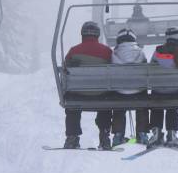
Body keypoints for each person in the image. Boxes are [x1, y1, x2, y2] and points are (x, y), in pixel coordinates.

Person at [62, 21, 114, 149]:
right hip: (101, 93)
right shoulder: (107, 51)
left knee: (72, 105)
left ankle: (72, 137)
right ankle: (104, 135)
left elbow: (65, 70)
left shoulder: (74, 51)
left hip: (78, 93)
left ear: (82, 34)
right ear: (97, 34)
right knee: (106, 103)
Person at [110, 28, 150, 146]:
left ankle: (118, 135)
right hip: (138, 91)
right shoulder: (140, 52)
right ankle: (142, 133)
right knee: (142, 103)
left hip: (120, 91)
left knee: (118, 103)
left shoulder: (114, 53)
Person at [148, 26, 178, 145]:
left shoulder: (158, 52)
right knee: (172, 105)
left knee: (157, 105)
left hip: (158, 91)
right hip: (175, 91)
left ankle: (156, 132)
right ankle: (172, 132)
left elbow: (150, 70)